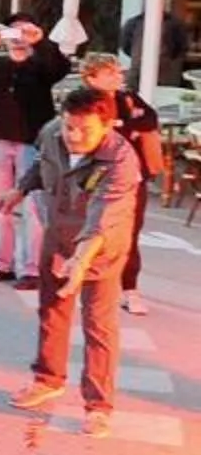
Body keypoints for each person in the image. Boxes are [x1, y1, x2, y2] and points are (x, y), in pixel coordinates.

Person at [12, 86, 145, 437]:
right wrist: (20, 189)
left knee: (98, 326)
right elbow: (41, 165)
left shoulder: (120, 159)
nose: (73, 135)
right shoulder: (52, 133)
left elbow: (104, 214)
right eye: (68, 126)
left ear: (107, 125)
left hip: (101, 249)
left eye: (83, 129)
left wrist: (81, 261)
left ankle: (98, 405)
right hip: (57, 238)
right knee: (52, 311)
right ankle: (47, 378)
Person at [0, 18, 76, 289]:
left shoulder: (42, 65)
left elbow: (60, 68)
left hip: (32, 143)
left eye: (25, 31)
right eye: (15, 31)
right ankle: (1, 263)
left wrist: (41, 41)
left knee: (34, 207)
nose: (19, 37)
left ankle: (33, 268)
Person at [80, 52, 169, 315]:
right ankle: (88, 281)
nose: (118, 76)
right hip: (98, 176)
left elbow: (150, 119)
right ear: (92, 77)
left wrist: (124, 124)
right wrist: (128, 126)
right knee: (93, 230)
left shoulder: (127, 98)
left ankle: (130, 290)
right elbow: (90, 130)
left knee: (129, 234)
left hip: (133, 176)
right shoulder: (83, 102)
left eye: (119, 71)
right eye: (110, 72)